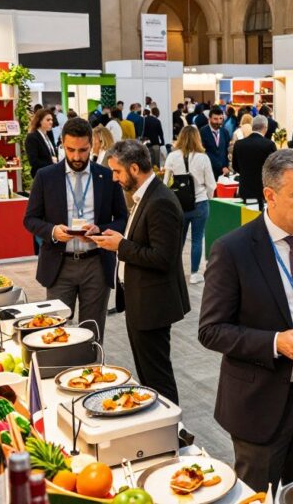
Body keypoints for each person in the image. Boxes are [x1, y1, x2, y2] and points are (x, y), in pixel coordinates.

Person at [198, 149, 293, 492]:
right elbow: (211, 330)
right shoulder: (234, 249)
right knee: (257, 495)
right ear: (269, 195)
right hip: (261, 403)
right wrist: (275, 343)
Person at [89, 140, 190, 406]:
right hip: (140, 299)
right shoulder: (146, 196)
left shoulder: (161, 201)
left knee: (157, 375)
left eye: (117, 172)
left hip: (153, 304)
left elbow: (162, 258)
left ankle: (171, 431)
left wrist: (120, 246)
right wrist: (116, 239)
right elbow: (143, 242)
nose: (114, 178)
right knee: (148, 374)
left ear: (134, 168)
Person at [23, 117, 129, 339]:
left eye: (83, 150)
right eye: (71, 150)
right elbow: (30, 219)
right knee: (55, 332)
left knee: (93, 332)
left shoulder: (106, 176)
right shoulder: (46, 176)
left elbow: (121, 217)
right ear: (62, 143)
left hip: (96, 265)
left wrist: (100, 230)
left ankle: (92, 371)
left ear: (92, 144)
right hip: (59, 265)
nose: (77, 157)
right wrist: (53, 231)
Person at [163, 126, 217, 283]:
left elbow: (166, 183)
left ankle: (175, 272)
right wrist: (207, 197)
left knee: (178, 239)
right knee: (197, 239)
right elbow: (211, 184)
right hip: (200, 203)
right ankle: (194, 273)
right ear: (197, 138)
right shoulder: (203, 158)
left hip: (179, 205)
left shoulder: (172, 157)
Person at [232, 115, 277, 210]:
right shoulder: (269, 145)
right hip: (263, 190)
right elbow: (274, 168)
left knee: (248, 218)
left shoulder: (239, 144)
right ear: (265, 127)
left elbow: (235, 166)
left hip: (245, 188)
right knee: (261, 219)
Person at [25, 109, 59, 179]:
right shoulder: (32, 137)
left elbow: (53, 153)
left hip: (53, 174)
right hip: (41, 176)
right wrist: (50, 161)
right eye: (48, 120)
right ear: (40, 121)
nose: (51, 122)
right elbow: (34, 161)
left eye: (51, 120)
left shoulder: (49, 134)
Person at [200, 106, 231, 179]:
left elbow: (226, 151)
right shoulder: (202, 131)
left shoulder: (225, 132)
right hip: (209, 170)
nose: (218, 122)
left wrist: (226, 167)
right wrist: (220, 167)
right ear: (209, 118)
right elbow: (204, 152)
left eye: (221, 118)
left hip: (224, 172)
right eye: (215, 119)